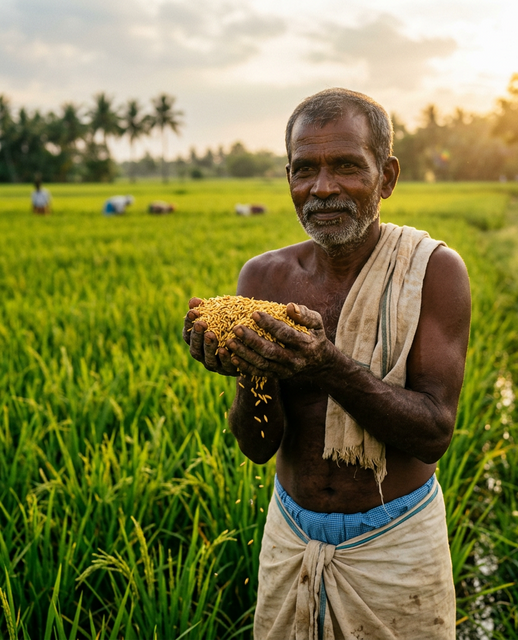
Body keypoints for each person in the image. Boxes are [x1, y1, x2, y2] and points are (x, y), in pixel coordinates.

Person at [183, 88, 471, 639]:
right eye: (305, 169)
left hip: (395, 544)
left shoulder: (433, 273)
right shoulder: (262, 280)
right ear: (287, 176)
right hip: (291, 533)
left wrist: (326, 366)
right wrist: (247, 372)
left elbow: (434, 432)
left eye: (345, 166)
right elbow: (256, 445)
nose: (322, 188)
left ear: (386, 177)